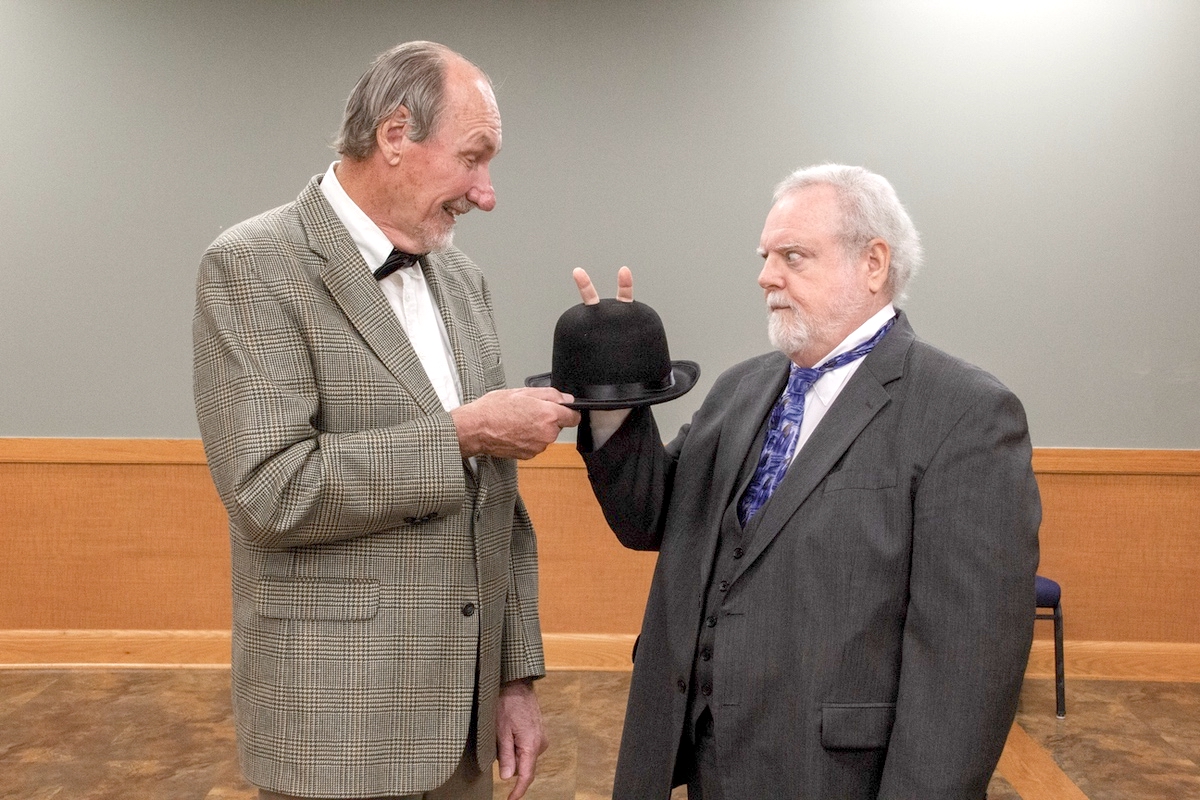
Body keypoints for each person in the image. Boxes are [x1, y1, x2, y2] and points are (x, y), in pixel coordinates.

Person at [574, 164, 1041, 799]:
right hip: (708, 765)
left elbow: (966, 669)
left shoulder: (966, 415)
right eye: (766, 256)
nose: (767, 276)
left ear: (873, 264)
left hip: (836, 776)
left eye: (793, 256)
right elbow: (651, 516)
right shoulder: (740, 389)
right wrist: (616, 396)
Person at [192, 41, 579, 800]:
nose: (487, 193)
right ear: (396, 135)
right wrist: (462, 433)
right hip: (335, 732)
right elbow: (270, 491)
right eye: (473, 159)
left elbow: (496, 500)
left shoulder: (463, 282)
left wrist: (513, 677)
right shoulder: (251, 266)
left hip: (462, 737)